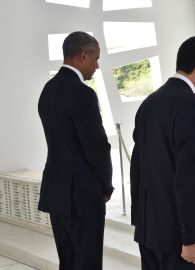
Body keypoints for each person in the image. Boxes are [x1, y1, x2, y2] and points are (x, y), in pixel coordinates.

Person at [130, 34, 195, 270]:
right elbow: (189, 178)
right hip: (178, 239)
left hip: (149, 232)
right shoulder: (190, 106)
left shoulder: (149, 102)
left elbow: (137, 168)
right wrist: (191, 238)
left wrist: (141, 222)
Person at [38, 31, 114, 270]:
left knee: (68, 261)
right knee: (87, 262)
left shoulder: (47, 90)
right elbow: (97, 147)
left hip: (56, 192)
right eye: (96, 59)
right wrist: (106, 185)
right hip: (83, 194)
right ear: (83, 55)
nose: (97, 66)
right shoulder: (83, 94)